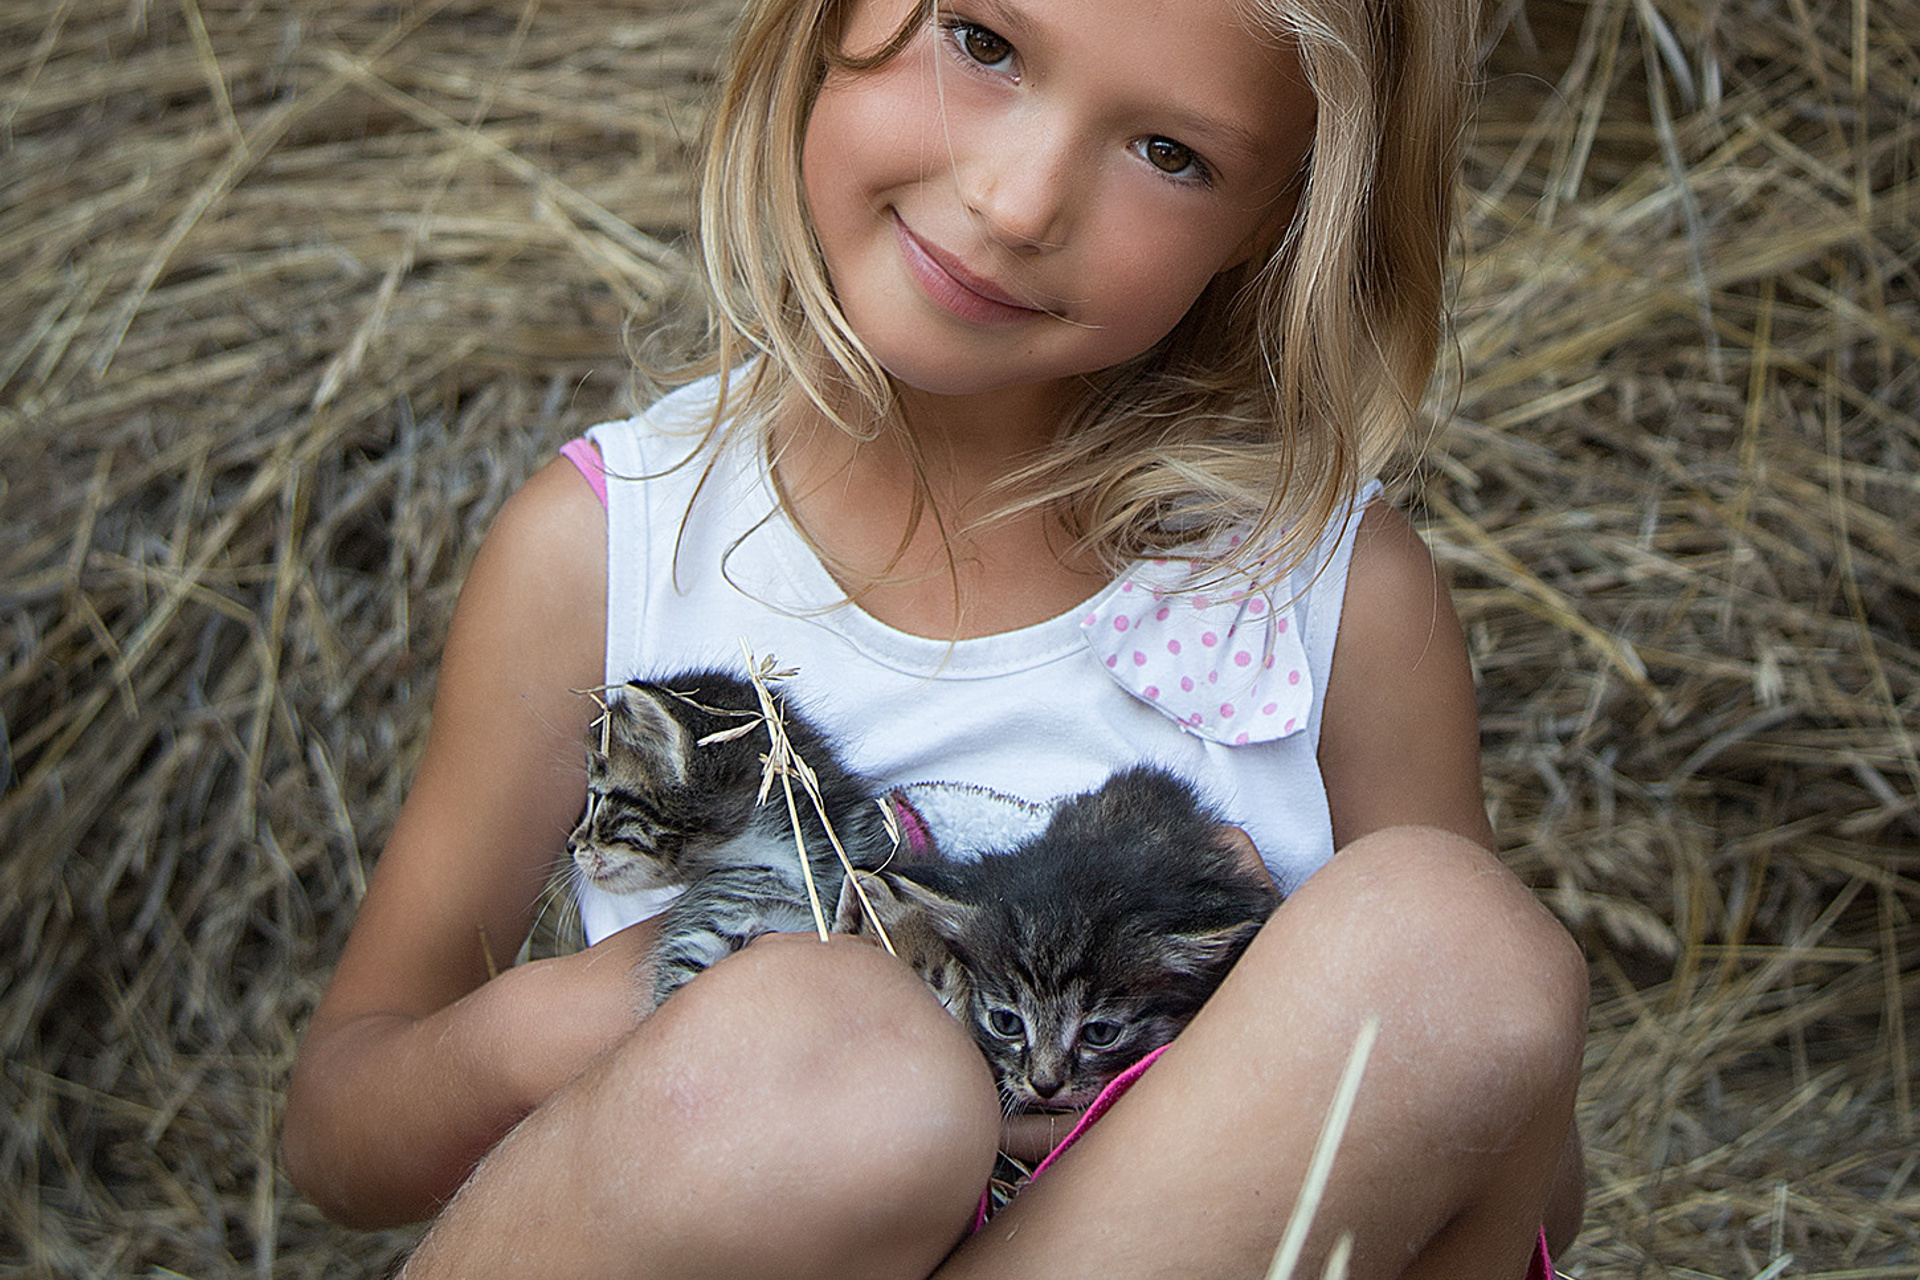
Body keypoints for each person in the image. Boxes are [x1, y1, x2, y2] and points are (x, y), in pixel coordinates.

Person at [281, 0, 1590, 1274]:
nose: (1020, 202)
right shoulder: (604, 553)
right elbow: (340, 1134)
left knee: (1455, 952)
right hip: (725, 1184)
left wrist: (1222, 1052)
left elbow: (1510, 1146)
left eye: (1170, 153)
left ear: (1274, 220)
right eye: (984, 43)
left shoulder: (1334, 598)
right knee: (826, 1061)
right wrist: (560, 1022)